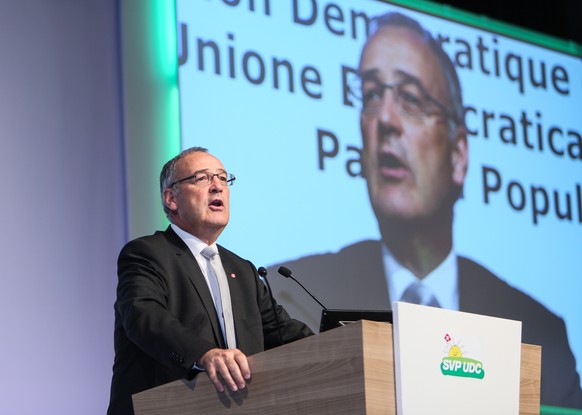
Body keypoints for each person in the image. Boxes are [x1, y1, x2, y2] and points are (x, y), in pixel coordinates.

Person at [268, 12, 582, 409]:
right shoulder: (291, 291)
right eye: (370, 96)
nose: (384, 120)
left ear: (459, 155)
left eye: (412, 99)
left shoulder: (540, 330)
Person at [107, 147, 313, 415]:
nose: (217, 187)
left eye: (223, 178)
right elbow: (144, 317)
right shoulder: (147, 253)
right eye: (202, 178)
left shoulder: (243, 271)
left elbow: (285, 332)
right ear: (171, 198)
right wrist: (204, 354)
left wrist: (350, 339)